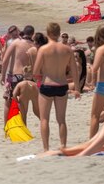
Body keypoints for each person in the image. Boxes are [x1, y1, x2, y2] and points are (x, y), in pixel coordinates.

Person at [33, 23, 80, 152]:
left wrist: (43, 72)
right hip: (61, 85)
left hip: (47, 85)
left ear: (47, 34)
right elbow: (75, 71)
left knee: (44, 119)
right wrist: (77, 89)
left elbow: (35, 71)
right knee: (61, 120)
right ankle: (63, 146)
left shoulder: (43, 50)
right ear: (59, 34)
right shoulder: (67, 50)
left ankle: (46, 148)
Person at [0, 25, 36, 123]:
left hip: (15, 76)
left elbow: (5, 60)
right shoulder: (34, 45)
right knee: (24, 102)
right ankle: (23, 126)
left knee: (8, 101)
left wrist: (2, 76)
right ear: (32, 34)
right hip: (28, 76)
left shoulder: (16, 42)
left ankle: (6, 127)